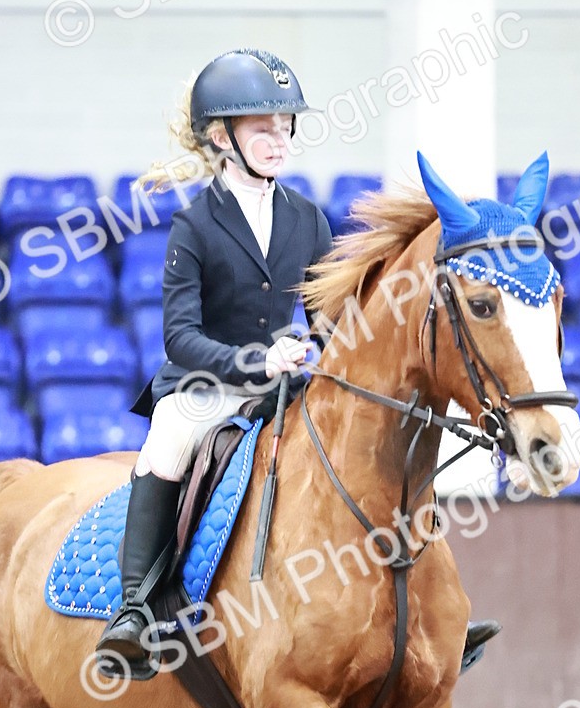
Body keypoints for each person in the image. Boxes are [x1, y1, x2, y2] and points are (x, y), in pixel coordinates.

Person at [95, 47, 499, 675]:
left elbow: (327, 318)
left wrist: (329, 350)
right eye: (263, 126)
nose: (280, 138)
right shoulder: (194, 227)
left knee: (384, 445)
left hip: (283, 382)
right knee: (168, 443)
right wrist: (258, 360)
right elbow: (180, 338)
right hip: (207, 382)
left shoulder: (306, 218)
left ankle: (432, 607)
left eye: (286, 126)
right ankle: (136, 607)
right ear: (220, 136)